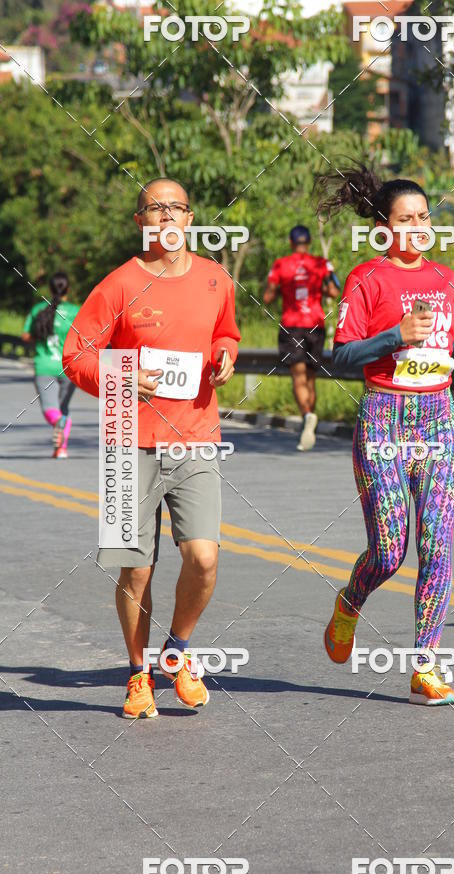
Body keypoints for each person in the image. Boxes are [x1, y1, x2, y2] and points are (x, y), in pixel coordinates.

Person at [314, 165, 454, 705]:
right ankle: (351, 601)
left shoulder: (444, 278)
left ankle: (426, 664)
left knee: (437, 547)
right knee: (391, 549)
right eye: (406, 219)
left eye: (425, 217)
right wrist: (395, 335)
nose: (419, 227)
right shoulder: (366, 278)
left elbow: (444, 341)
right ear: (383, 227)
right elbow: (342, 353)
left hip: (439, 419)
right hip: (384, 417)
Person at [63, 177, 240, 719]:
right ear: (140, 222)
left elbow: (226, 332)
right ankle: (138, 674)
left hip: (196, 439)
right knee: (135, 570)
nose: (166, 217)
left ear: (190, 219)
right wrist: (123, 373)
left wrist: (225, 354)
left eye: (175, 208)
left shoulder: (216, 280)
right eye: (154, 208)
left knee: (203, 558)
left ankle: (178, 652)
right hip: (127, 443)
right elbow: (77, 356)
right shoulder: (117, 285)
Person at [263, 225, 340, 451]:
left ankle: (307, 415)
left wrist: (279, 291)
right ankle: (311, 421)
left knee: (298, 376)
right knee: (311, 377)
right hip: (316, 324)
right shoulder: (320, 264)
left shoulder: (281, 265)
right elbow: (334, 292)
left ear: (291, 242)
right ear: (309, 242)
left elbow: (267, 296)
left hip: (292, 325)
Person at [22, 272, 79, 458]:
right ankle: (61, 449)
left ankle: (58, 425)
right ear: (68, 289)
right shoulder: (76, 311)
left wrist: (40, 335)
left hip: (44, 365)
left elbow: (26, 336)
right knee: (63, 409)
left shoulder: (39, 309)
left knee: (50, 409)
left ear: (50, 288)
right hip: (69, 367)